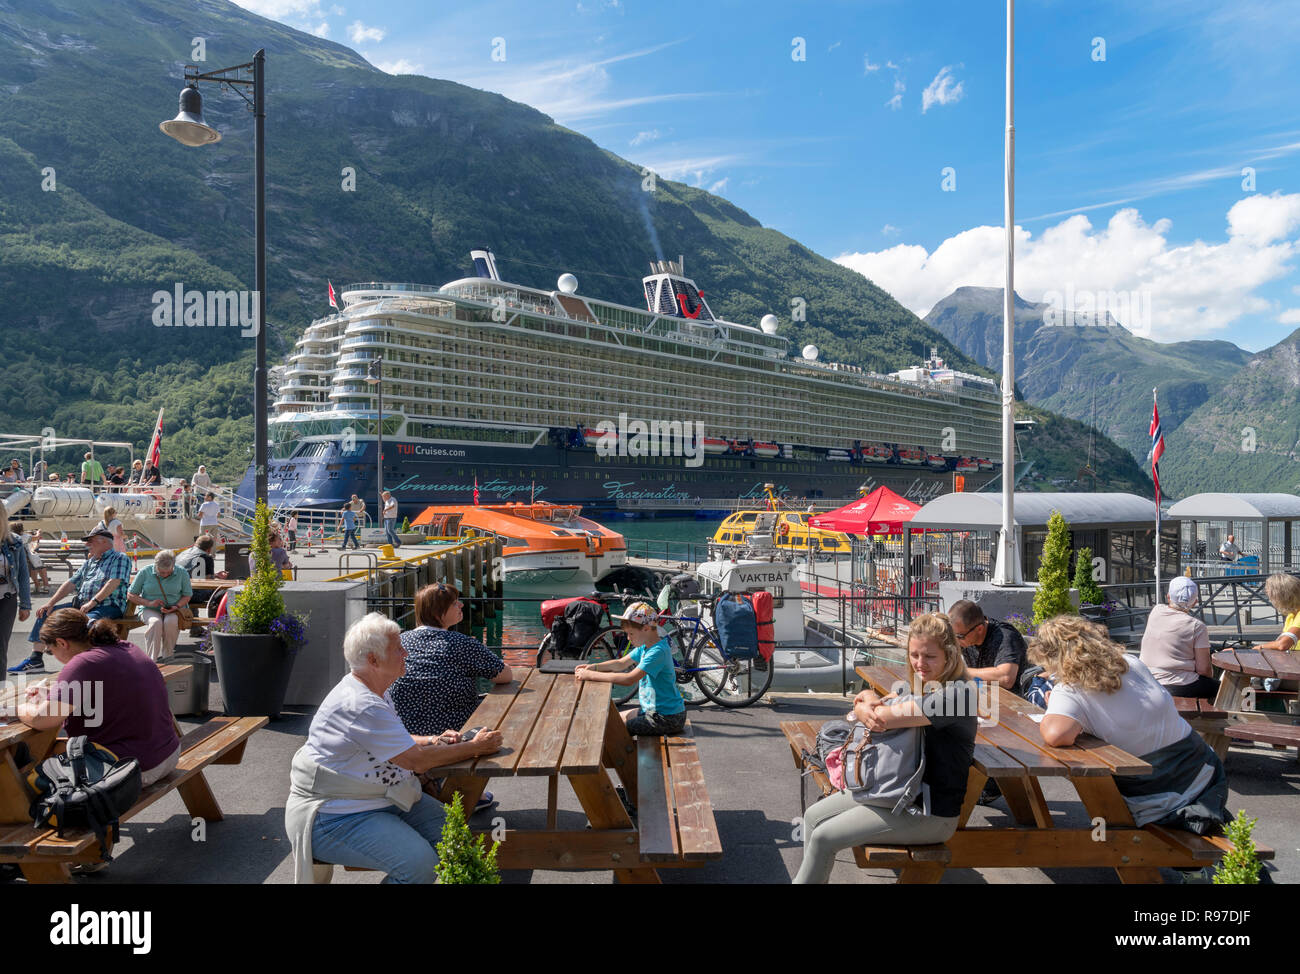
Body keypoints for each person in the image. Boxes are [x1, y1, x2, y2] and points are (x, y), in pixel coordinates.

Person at [284, 613, 504, 884]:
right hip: (335, 815)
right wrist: (475, 747)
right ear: (373, 660)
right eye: (397, 648)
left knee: (455, 842)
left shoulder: (374, 690)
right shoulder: (361, 703)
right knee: (419, 866)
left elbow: (393, 741)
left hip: (384, 798)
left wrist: (433, 739)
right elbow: (417, 762)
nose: (406, 652)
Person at [793, 612, 977, 884]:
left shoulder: (956, 696)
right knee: (812, 817)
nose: (919, 663)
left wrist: (864, 705)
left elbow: (879, 718)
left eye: (929, 656)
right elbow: (873, 701)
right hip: (895, 794)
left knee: (824, 836)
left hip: (929, 814)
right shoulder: (923, 685)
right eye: (914, 655)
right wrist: (866, 698)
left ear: (949, 656)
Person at [1032, 615, 1229, 834]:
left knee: (1106, 806)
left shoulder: (1069, 689)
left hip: (1160, 797)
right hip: (1205, 770)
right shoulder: (1130, 662)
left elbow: (1056, 735)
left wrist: (1055, 709)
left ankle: (1182, 862)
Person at [18, 610, 180, 789]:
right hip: (168, 753)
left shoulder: (82, 664)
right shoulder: (126, 647)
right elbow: (110, 688)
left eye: (50, 652)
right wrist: (53, 692)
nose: (54, 657)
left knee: (29, 779)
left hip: (132, 768)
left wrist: (20, 709)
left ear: (61, 643)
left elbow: (41, 720)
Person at [10, 527, 131, 674]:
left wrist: (93, 602)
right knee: (46, 613)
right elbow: (70, 583)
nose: (87, 545)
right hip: (82, 605)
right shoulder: (90, 562)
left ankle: (84, 664)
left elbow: (114, 582)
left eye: (90, 541)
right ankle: (35, 660)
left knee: (81, 623)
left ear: (104, 541)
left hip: (107, 606)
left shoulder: (119, 558)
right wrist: (51, 603)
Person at [575, 601, 686, 737]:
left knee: (614, 730)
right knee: (610, 720)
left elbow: (629, 679)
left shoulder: (657, 652)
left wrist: (589, 675)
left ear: (646, 628)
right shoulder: (645, 647)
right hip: (653, 711)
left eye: (631, 634)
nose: (628, 638)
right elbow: (620, 663)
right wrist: (593, 667)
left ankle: (621, 757)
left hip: (667, 718)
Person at [1139, 577, 1216, 698]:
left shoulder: (1156, 611)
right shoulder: (1197, 626)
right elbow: (1204, 670)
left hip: (1147, 680)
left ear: (1168, 597)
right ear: (1195, 602)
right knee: (1223, 690)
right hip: (1178, 685)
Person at [948, 599, 1029, 694]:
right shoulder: (967, 633)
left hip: (1016, 702)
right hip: (987, 696)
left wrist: (959, 671)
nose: (956, 640)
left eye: (959, 636)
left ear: (979, 629)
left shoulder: (1005, 637)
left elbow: (1006, 677)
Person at [126, 550, 193, 660]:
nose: (165, 575)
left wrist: (176, 606)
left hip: (175, 608)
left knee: (170, 622)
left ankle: (168, 656)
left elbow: (187, 595)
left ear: (174, 566)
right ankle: (152, 660)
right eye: (161, 572)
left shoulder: (182, 572)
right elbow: (131, 594)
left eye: (169, 572)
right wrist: (149, 603)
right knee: (155, 623)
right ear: (155, 565)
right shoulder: (145, 572)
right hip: (149, 607)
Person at [0, 522, 33, 669]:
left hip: (6, 600)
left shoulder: (14, 540)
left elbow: (23, 575)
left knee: (0, 649)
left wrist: (25, 604)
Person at [1254, 572, 1300, 651]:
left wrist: (1258, 647)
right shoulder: (1292, 615)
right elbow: (1279, 643)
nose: (1270, 599)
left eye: (1271, 596)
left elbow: (1283, 644)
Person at [16, 523, 49, 595]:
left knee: (35, 565)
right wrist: (38, 532)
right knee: (39, 566)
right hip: (26, 560)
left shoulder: (12, 536)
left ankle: (39, 586)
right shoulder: (24, 537)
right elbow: (36, 537)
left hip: (17, 560)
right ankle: (44, 585)